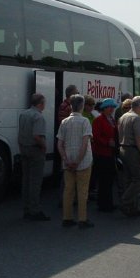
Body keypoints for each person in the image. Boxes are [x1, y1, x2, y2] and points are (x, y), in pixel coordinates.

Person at [57, 94, 94, 228]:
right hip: (83, 161)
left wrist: (65, 159)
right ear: (82, 106)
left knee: (68, 190)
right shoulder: (85, 122)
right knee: (82, 191)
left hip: (68, 161)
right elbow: (85, 143)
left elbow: (59, 143)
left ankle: (67, 218)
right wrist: (78, 160)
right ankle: (82, 219)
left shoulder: (64, 122)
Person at [18, 93, 49, 221]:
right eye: (44, 103)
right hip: (35, 150)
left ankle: (26, 209)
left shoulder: (23, 114)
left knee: (26, 180)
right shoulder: (38, 117)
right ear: (40, 104)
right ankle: (34, 210)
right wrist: (44, 146)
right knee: (35, 181)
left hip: (24, 148)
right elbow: (37, 136)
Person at [117, 96, 140, 217]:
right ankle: (125, 201)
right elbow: (139, 138)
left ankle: (132, 207)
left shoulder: (123, 117)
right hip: (133, 150)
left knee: (129, 179)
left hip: (123, 148)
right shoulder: (137, 119)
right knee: (139, 179)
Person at [91, 98, 119, 212]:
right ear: (104, 108)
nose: (112, 109)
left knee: (109, 179)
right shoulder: (99, 120)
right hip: (102, 153)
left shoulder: (111, 119)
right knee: (104, 180)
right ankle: (103, 204)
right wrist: (107, 142)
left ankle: (108, 202)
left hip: (110, 153)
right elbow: (96, 136)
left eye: (113, 107)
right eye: (110, 107)